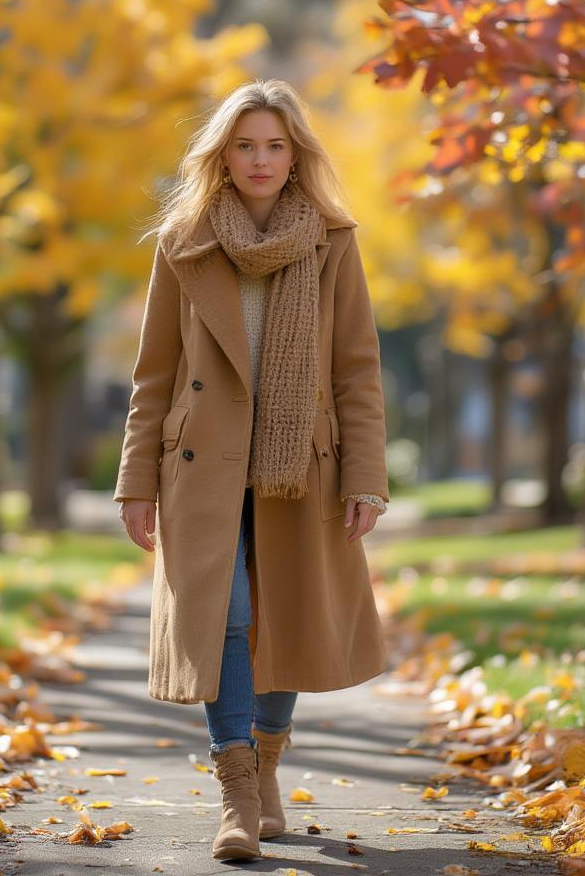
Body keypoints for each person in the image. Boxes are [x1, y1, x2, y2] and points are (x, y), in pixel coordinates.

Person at [114, 78, 389, 861]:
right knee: (226, 617)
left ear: (296, 154)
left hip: (304, 461)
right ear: (223, 156)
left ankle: (268, 765)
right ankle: (236, 791)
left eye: (275, 144)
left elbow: (357, 370)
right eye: (245, 145)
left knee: (290, 616)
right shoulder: (184, 239)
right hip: (201, 465)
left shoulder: (333, 239)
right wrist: (135, 483)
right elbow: (154, 374)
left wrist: (366, 474)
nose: (260, 159)